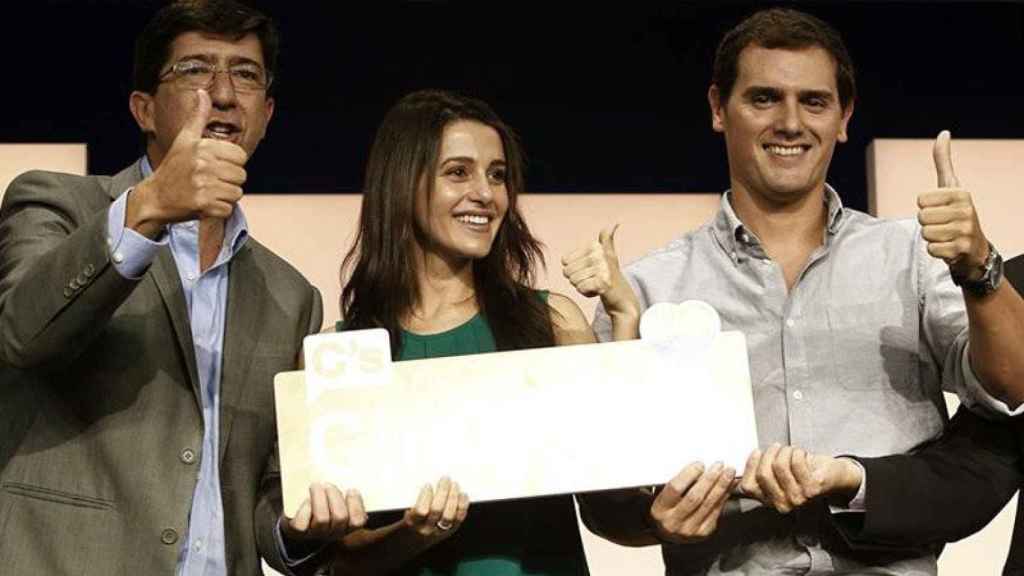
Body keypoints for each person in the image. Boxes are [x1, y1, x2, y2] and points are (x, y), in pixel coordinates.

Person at [577, 7, 1024, 575]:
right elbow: (602, 494)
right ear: (719, 108)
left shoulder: (910, 257)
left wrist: (980, 266)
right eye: (764, 98)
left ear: (843, 117)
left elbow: (1012, 386)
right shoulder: (648, 287)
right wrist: (652, 521)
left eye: (814, 102)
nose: (790, 123)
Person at [0, 1, 363, 574]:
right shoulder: (57, 203)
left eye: (245, 74)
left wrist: (296, 528)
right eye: (195, 69)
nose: (222, 94)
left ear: (266, 113)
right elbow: (23, 332)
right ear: (144, 109)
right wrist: (147, 211)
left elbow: (269, 488)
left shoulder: (291, 295)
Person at [330, 88, 640, 575]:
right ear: (402, 183)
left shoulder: (552, 323)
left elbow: (613, 482)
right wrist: (413, 534)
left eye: (498, 175)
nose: (486, 194)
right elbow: (343, 561)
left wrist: (624, 321)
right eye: (458, 172)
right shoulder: (343, 353)